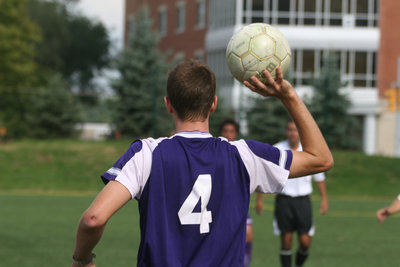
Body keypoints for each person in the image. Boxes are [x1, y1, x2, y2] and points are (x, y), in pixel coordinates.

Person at [71, 60, 333, 267]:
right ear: (214, 105)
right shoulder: (244, 156)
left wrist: (82, 260)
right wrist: (288, 96)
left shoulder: (146, 154)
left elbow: (94, 219)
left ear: (168, 105)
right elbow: (320, 158)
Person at [256, 121, 329, 267]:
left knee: (305, 242)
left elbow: (319, 177)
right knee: (286, 241)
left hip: (303, 201)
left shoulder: (308, 150)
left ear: (300, 132)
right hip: (284, 200)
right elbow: (265, 173)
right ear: (286, 132)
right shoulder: (278, 149)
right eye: (290, 129)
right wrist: (259, 199)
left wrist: (324, 199)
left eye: (296, 130)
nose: (293, 133)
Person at [219, 119, 253, 267]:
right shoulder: (215, 150)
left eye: (231, 131)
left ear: (236, 133)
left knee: (248, 234)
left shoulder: (242, 152)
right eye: (225, 131)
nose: (228, 134)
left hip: (237, 204)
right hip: (217, 205)